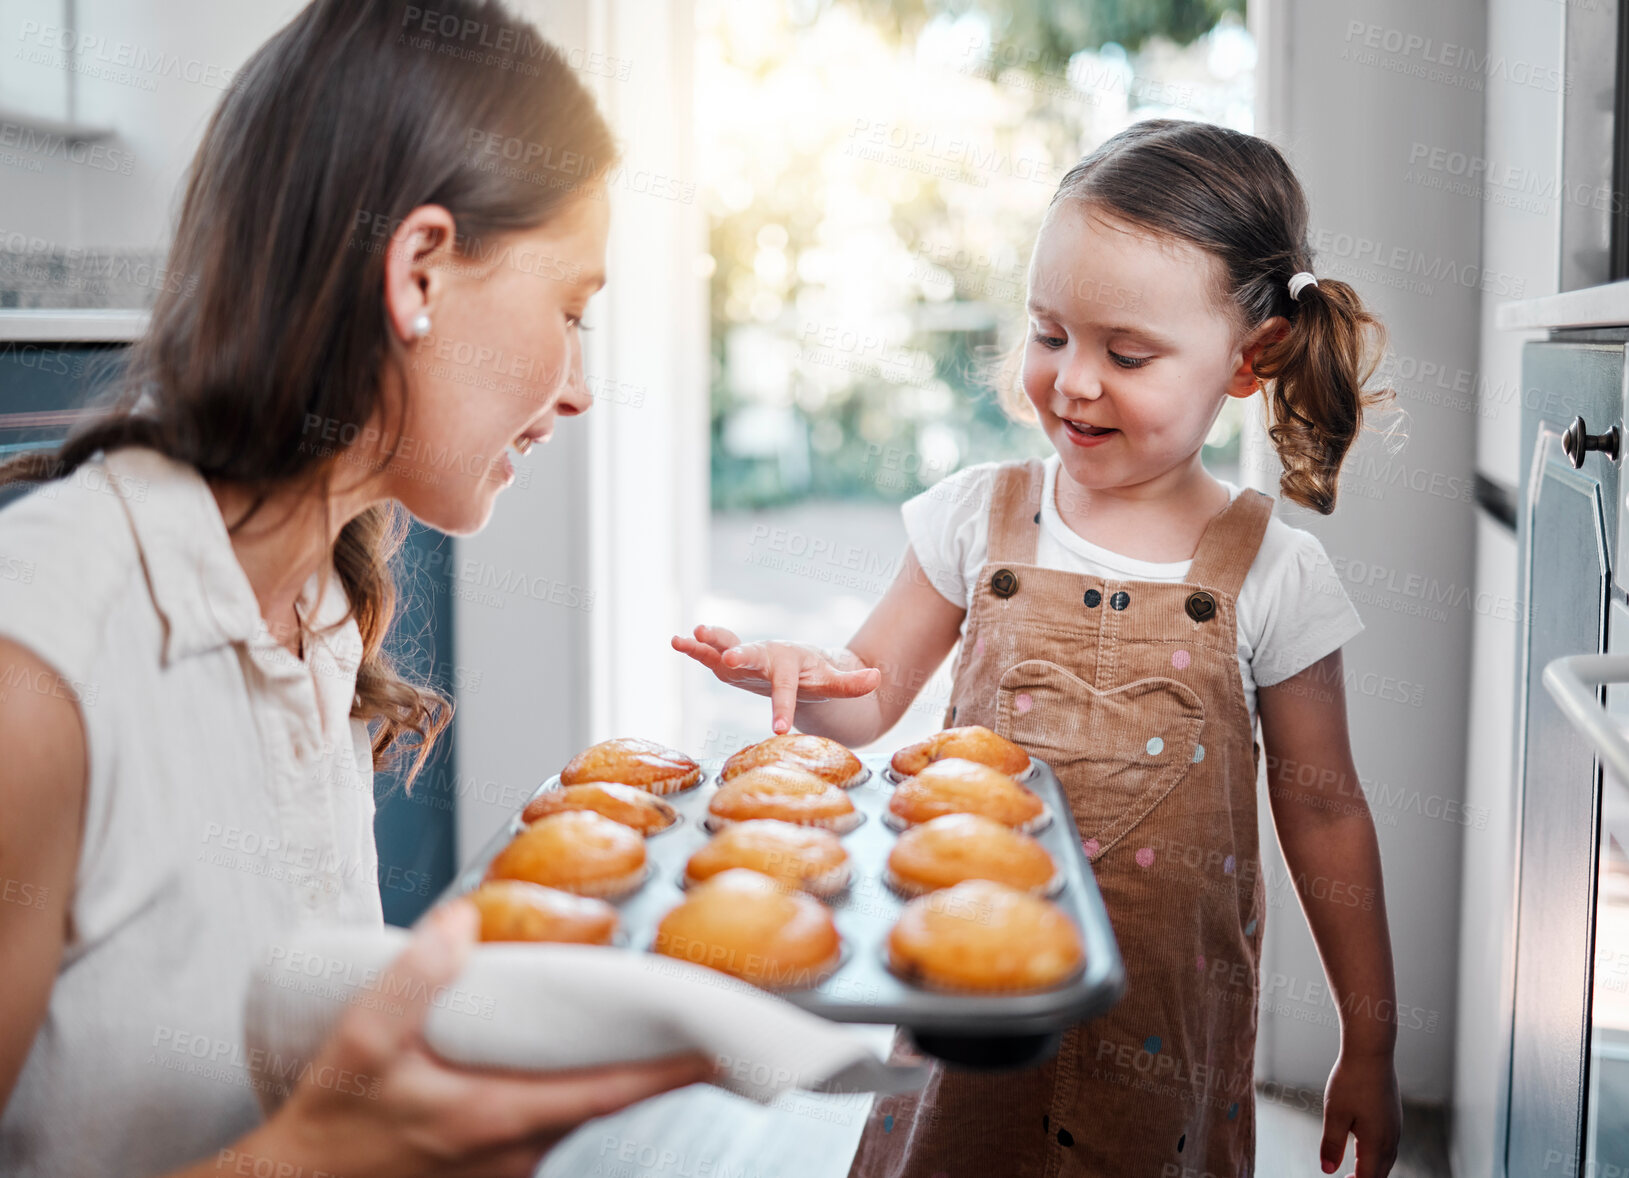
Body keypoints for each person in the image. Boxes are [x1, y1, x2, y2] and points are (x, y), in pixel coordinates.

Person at [0, 2, 711, 1175]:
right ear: (419, 268)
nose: (579, 386)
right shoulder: (42, 669)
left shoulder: (329, 605)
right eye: (571, 311)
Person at [673, 119, 1402, 1178]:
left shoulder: (1274, 574)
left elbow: (1326, 810)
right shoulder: (977, 516)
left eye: (1128, 352)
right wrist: (793, 673)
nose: (1072, 381)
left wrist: (1368, 1042)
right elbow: (864, 700)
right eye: (1048, 332)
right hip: (974, 1012)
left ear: (1252, 359)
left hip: (1164, 1046)